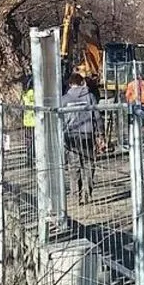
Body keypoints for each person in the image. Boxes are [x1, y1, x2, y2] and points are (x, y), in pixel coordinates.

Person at [61, 72, 99, 203]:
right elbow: (97, 116)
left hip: (71, 136)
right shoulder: (90, 97)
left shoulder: (64, 99)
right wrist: (101, 134)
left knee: (74, 165)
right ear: (82, 82)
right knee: (88, 164)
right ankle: (87, 194)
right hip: (87, 134)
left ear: (70, 84)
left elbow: (60, 120)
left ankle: (75, 195)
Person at [21, 76, 36, 165]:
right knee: (35, 140)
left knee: (29, 140)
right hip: (35, 121)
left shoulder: (25, 95)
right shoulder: (36, 94)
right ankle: (34, 156)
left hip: (27, 121)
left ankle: (29, 158)